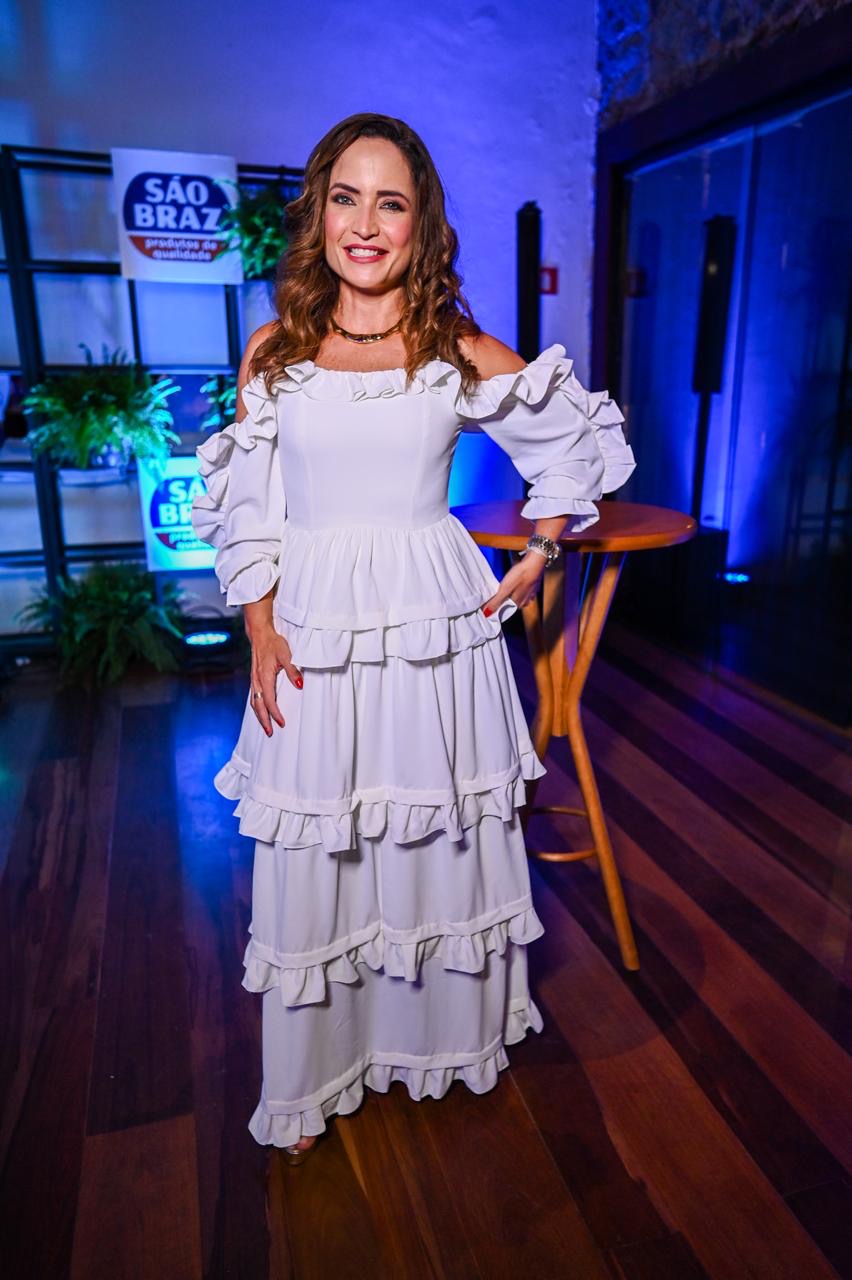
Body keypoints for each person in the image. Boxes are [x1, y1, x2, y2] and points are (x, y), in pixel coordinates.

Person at [190, 112, 635, 1163]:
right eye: (346, 198)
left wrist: (543, 546)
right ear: (319, 214)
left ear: (419, 223)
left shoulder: (451, 348)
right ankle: (312, 1075)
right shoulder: (275, 350)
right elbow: (251, 506)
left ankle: (435, 1042)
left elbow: (570, 440)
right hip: (314, 626)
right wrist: (259, 624)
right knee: (318, 841)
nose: (364, 223)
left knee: (432, 836)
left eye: (389, 203)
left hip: (436, 629)